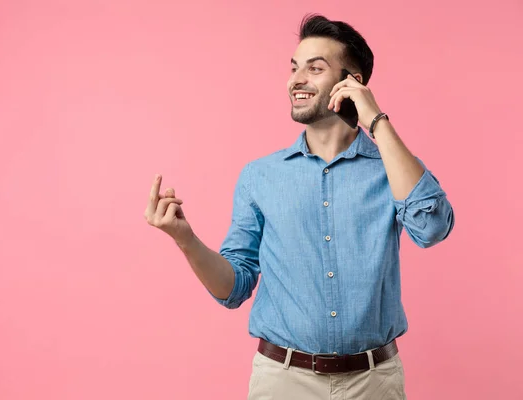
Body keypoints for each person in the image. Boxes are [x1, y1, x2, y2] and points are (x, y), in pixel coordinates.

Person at [144, 13, 454, 400]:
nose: (296, 80)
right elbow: (234, 288)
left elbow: (433, 227)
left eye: (315, 68)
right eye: (294, 68)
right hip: (284, 381)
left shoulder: (390, 168)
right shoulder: (260, 176)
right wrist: (185, 239)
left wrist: (375, 120)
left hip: (374, 382)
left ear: (352, 82)